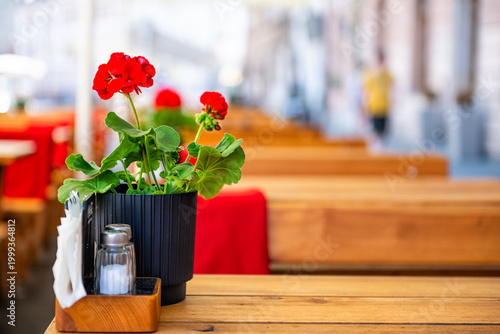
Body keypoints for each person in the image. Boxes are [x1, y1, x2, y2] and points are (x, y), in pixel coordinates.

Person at [363, 50, 393, 145]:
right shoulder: (370, 73)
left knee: (383, 132)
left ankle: (380, 149)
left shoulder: (387, 74)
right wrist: (364, 107)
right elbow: (366, 91)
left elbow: (393, 87)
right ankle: (374, 148)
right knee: (374, 131)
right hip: (374, 106)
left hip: (385, 107)